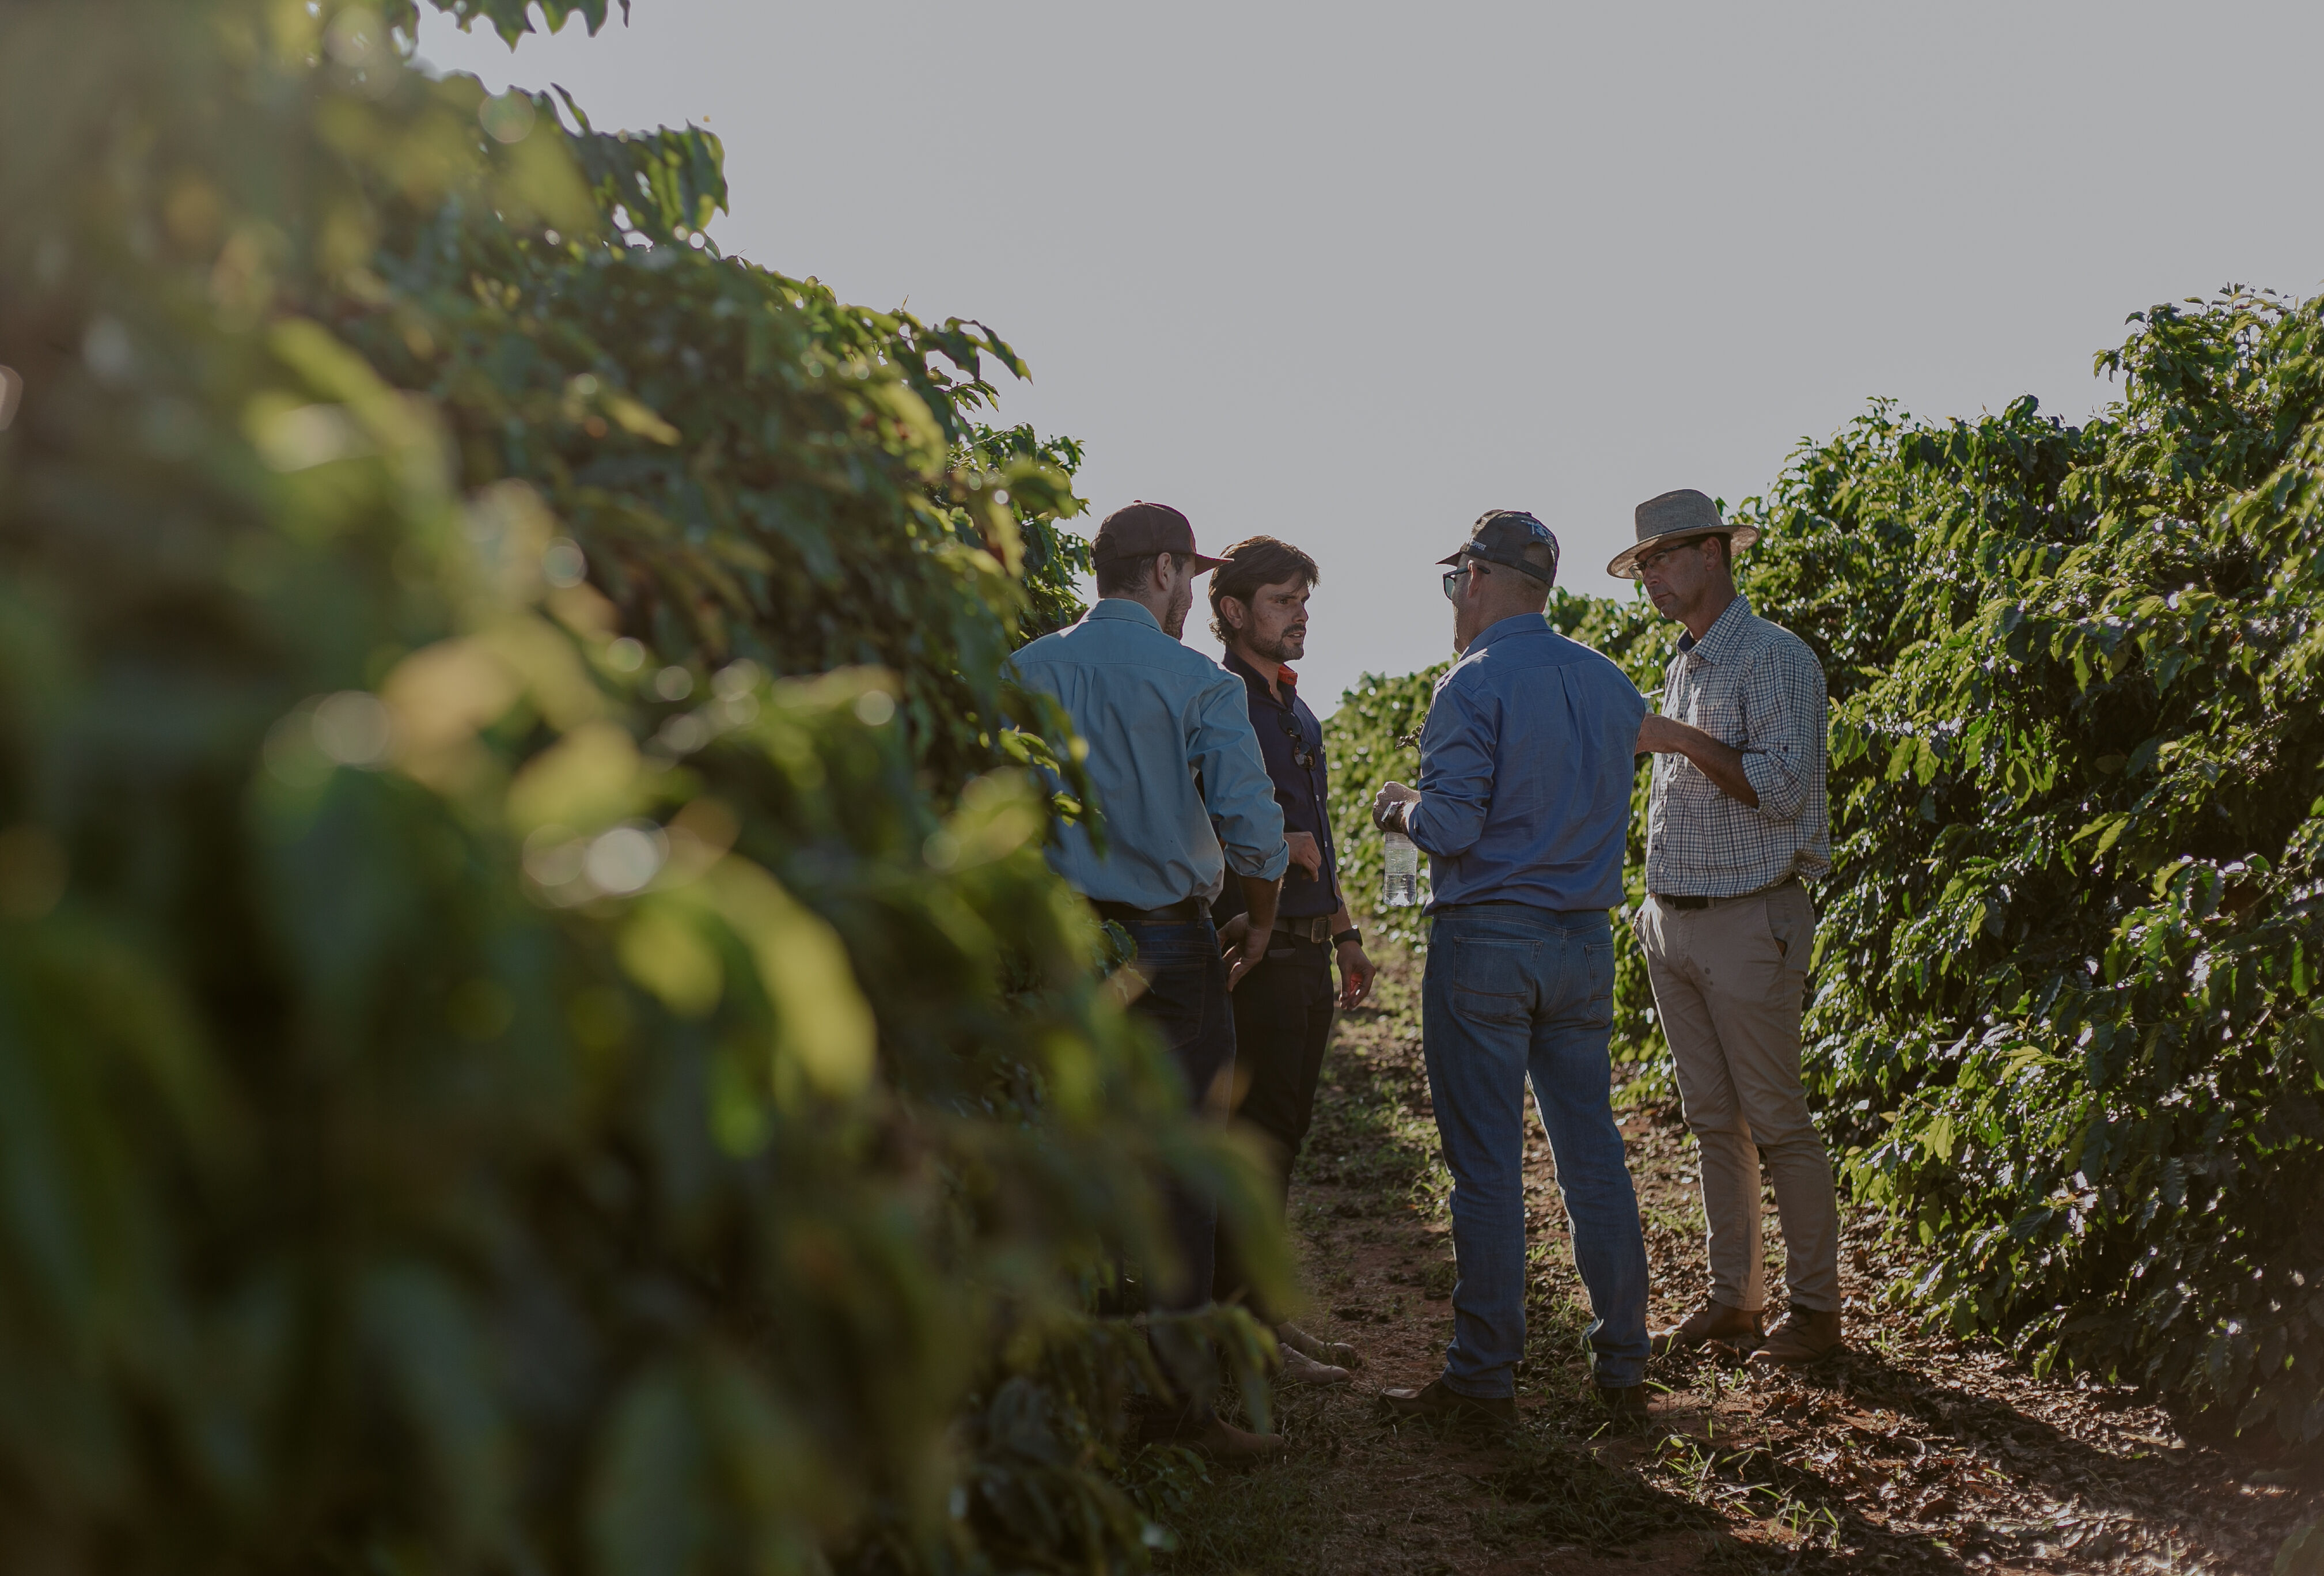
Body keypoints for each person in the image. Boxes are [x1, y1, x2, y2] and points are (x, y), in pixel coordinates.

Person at [1009, 500, 1292, 1460]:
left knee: (1059, 1161)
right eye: (1192, 578)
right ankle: (1176, 1410)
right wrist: (1258, 916)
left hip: (1057, 947)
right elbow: (1253, 824)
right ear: (1166, 570)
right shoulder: (1193, 681)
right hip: (1170, 951)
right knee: (1179, 1177)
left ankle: (1050, 1403)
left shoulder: (1026, 670)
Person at [1368, 510, 1654, 1430]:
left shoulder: (1473, 683)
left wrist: (1397, 814)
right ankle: (1623, 1365)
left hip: (1488, 938)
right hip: (1583, 943)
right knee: (1593, 1155)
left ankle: (1483, 1380)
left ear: (1483, 579)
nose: (1454, 599)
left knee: (1486, 1167)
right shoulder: (1611, 683)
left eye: (1455, 581)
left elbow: (1450, 829)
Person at [1614, 488, 1841, 1369]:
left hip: (1750, 917)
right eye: (1643, 567)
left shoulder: (1774, 658)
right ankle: (1734, 1302)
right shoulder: (1686, 662)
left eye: (1664, 560)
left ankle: (1815, 1313)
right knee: (1714, 1120)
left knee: (1778, 1121)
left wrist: (1674, 738)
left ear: (1714, 553)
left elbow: (1784, 789)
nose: (1652, 580)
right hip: (1676, 918)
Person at [1204, 536, 1378, 1387]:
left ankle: (1260, 1322)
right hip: (1258, 952)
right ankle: (1244, 1337)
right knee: (1255, 1145)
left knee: (1285, 1135)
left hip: (1308, 952)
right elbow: (1206, 818)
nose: (1300, 615)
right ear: (1233, 611)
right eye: (1283, 601)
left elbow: (1321, 835)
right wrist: (1273, 849)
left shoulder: (1290, 705)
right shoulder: (1219, 699)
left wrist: (1344, 932)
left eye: (1304, 601)